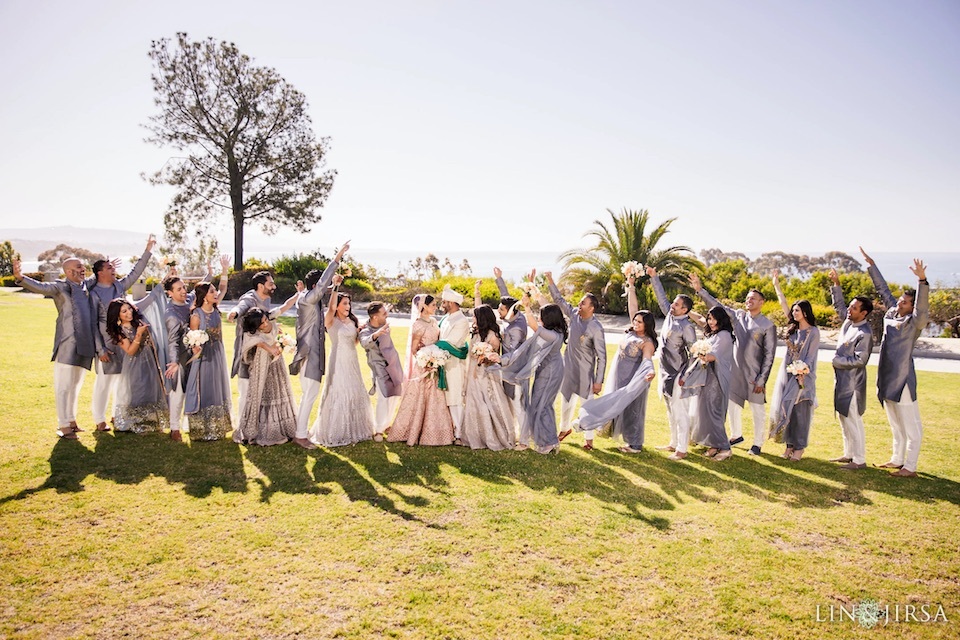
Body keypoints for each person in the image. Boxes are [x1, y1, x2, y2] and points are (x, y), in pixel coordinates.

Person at [13, 257, 104, 439]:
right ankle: (63, 425)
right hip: (67, 344)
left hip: (85, 345)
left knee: (75, 386)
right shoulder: (59, 287)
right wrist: (20, 277)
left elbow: (101, 276)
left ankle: (71, 420)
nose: (83, 268)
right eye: (79, 266)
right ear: (69, 272)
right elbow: (40, 287)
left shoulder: (86, 285)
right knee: (63, 386)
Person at [689, 272, 776, 454]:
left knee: (757, 410)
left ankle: (757, 443)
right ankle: (736, 435)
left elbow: (769, 355)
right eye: (747, 298)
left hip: (754, 375)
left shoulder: (767, 325)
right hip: (734, 371)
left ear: (762, 302)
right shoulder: (738, 316)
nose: (749, 301)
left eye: (753, 299)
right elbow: (718, 307)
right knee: (732, 406)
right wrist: (700, 290)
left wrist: (762, 379)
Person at [862, 247, 929, 478]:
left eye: (904, 303)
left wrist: (922, 280)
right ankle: (897, 458)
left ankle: (910, 466)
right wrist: (872, 265)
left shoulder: (915, 322)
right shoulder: (892, 313)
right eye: (900, 301)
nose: (899, 304)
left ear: (912, 307)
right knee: (895, 423)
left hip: (903, 380)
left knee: (911, 426)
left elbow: (922, 308)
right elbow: (883, 290)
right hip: (887, 376)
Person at [576, 273, 657, 453]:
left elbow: (647, 360)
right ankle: (609, 432)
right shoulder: (632, 332)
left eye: (640, 322)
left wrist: (650, 371)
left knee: (633, 410)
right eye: (635, 320)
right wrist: (631, 286)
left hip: (633, 379)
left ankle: (635, 444)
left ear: (647, 325)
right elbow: (633, 307)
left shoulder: (647, 342)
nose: (636, 323)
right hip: (619, 376)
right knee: (615, 405)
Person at [157, 256, 230, 441]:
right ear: (170, 294)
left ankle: (199, 424)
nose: (184, 291)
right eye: (179, 289)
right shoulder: (171, 314)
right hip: (182, 357)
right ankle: (175, 428)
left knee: (196, 389)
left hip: (201, 354)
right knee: (179, 391)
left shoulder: (190, 300)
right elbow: (173, 341)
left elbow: (204, 291)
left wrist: (213, 273)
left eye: (184, 287)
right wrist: (174, 362)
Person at [88, 234, 155, 431]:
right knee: (104, 383)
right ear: (100, 273)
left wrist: (148, 250)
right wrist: (100, 349)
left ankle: (117, 415)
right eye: (109, 268)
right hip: (108, 344)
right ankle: (99, 419)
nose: (113, 269)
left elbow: (135, 273)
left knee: (122, 382)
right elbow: (93, 324)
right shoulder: (93, 294)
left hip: (126, 341)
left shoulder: (118, 286)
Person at [289, 243, 349, 449]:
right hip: (309, 354)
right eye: (321, 286)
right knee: (310, 395)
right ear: (315, 286)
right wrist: (338, 256)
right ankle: (300, 435)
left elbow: (325, 288)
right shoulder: (307, 300)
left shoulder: (308, 297)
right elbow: (323, 286)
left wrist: (336, 286)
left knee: (309, 394)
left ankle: (301, 430)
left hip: (312, 353)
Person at [539, 271, 606, 450]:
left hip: (585, 372)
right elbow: (560, 301)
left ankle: (589, 440)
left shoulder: (596, 328)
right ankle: (564, 429)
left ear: (591, 308)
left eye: (583, 302)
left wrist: (598, 381)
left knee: (587, 406)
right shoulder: (575, 314)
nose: (579, 303)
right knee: (566, 400)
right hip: (567, 367)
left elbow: (602, 356)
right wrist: (551, 281)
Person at [497, 295, 568, 454]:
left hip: (550, 372)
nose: (539, 318)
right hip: (548, 369)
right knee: (542, 405)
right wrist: (536, 295)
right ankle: (549, 440)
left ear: (548, 319)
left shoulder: (553, 335)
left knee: (541, 405)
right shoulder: (556, 331)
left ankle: (548, 442)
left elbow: (534, 326)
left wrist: (528, 307)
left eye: (541, 316)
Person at [227, 271, 298, 418]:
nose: (274, 286)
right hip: (247, 350)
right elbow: (241, 306)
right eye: (270, 283)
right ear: (260, 286)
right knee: (245, 388)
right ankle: (242, 425)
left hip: (263, 353)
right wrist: (233, 312)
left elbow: (272, 314)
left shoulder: (265, 299)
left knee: (260, 390)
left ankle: (256, 423)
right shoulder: (250, 299)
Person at [310, 285, 375, 447]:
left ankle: (355, 429)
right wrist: (335, 287)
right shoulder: (331, 321)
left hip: (352, 360)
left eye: (349, 304)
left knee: (354, 390)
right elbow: (331, 307)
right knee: (339, 390)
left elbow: (354, 342)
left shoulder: (353, 321)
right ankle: (335, 430)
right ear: (337, 305)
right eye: (344, 303)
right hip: (337, 360)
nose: (348, 306)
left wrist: (361, 332)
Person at [388, 294, 455, 446]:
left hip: (436, 364)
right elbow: (414, 349)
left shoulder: (434, 321)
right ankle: (412, 430)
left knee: (436, 397)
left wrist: (437, 358)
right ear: (424, 306)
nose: (436, 307)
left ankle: (436, 432)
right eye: (433, 305)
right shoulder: (417, 325)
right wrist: (427, 360)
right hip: (424, 365)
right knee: (419, 397)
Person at [768, 272, 820, 461]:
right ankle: (789, 446)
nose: (794, 313)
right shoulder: (794, 329)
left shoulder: (813, 332)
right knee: (787, 407)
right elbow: (783, 304)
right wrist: (777, 286)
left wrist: (802, 373)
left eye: (797, 311)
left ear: (805, 312)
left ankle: (799, 447)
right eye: (793, 311)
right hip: (787, 373)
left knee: (800, 412)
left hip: (803, 376)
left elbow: (811, 356)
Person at [647, 266, 697, 459]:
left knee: (680, 411)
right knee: (670, 409)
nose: (672, 306)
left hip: (679, 374)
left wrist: (685, 376)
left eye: (676, 305)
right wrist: (654, 277)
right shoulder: (670, 316)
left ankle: (682, 449)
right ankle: (673, 442)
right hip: (665, 371)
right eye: (673, 303)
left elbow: (694, 354)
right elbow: (662, 299)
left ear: (685, 309)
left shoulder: (687, 327)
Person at [827, 269, 874, 470]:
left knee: (853, 419)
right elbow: (839, 307)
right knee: (843, 417)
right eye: (851, 307)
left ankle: (860, 459)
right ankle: (848, 454)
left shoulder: (865, 333)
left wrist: (837, 361)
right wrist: (836, 285)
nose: (850, 310)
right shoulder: (849, 324)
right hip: (841, 381)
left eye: (854, 308)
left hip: (854, 384)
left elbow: (860, 359)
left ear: (863, 313)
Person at [234, 309, 299, 446]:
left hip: (276, 365)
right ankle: (260, 430)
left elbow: (278, 337)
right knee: (264, 395)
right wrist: (271, 349)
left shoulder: (273, 325)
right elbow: (260, 343)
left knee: (278, 392)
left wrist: (283, 343)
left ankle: (282, 427)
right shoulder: (251, 335)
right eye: (261, 323)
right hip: (262, 367)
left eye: (265, 320)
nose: (265, 323)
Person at [105, 297, 169, 433]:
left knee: (151, 387)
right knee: (138, 389)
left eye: (129, 308)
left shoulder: (137, 323)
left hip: (149, 361)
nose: (129, 312)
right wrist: (139, 335)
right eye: (124, 311)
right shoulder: (120, 332)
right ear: (117, 316)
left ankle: (151, 419)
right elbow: (130, 351)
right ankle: (135, 421)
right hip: (134, 364)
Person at [680, 306, 735, 460]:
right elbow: (699, 320)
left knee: (714, 412)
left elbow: (712, 356)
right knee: (705, 411)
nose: (711, 322)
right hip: (707, 377)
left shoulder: (724, 335)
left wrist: (699, 352)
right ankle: (714, 445)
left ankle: (725, 447)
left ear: (721, 319)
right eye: (709, 318)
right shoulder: (714, 334)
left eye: (714, 318)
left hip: (717, 379)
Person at [461, 304, 515, 450]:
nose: (472, 318)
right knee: (473, 401)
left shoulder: (493, 335)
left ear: (481, 318)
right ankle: (473, 434)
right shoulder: (477, 332)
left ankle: (491, 435)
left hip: (486, 373)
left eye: (474, 316)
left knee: (487, 402)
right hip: (472, 370)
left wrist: (484, 357)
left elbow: (494, 356)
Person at [184, 282, 233, 441]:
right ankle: (202, 428)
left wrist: (224, 271)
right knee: (205, 386)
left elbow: (223, 289)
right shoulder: (196, 315)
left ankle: (217, 426)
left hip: (218, 353)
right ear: (204, 296)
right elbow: (192, 339)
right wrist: (195, 348)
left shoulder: (215, 307)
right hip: (204, 357)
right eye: (212, 292)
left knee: (218, 386)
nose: (216, 293)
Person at [488, 267, 529, 440]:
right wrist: (500, 279)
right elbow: (507, 298)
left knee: (518, 404)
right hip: (508, 369)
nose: (499, 311)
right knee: (511, 402)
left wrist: (498, 359)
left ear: (510, 311)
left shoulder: (517, 328)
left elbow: (515, 352)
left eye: (501, 310)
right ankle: (512, 432)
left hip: (516, 371)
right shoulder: (514, 315)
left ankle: (525, 439)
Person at [359, 302, 403, 442]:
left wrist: (386, 309)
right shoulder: (366, 331)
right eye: (384, 314)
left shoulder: (383, 324)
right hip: (379, 369)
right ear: (375, 317)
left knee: (395, 396)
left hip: (394, 365)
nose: (387, 315)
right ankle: (378, 430)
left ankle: (386, 424)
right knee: (383, 398)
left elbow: (383, 316)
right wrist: (376, 334)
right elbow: (364, 342)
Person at [437, 284, 470, 443]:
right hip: (442, 362)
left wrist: (431, 349)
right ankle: (449, 429)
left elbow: (450, 343)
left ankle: (460, 433)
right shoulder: (445, 318)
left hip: (454, 364)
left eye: (444, 302)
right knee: (445, 398)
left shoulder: (462, 320)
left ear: (451, 303)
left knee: (455, 398)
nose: (442, 304)